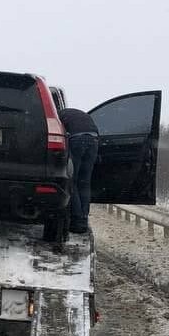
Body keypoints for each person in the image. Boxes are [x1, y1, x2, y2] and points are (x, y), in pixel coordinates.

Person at [57, 99, 99, 235]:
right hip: (94, 139)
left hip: (77, 140)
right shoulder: (79, 115)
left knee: (72, 181)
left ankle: (76, 220)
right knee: (85, 182)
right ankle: (84, 218)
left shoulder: (57, 115)